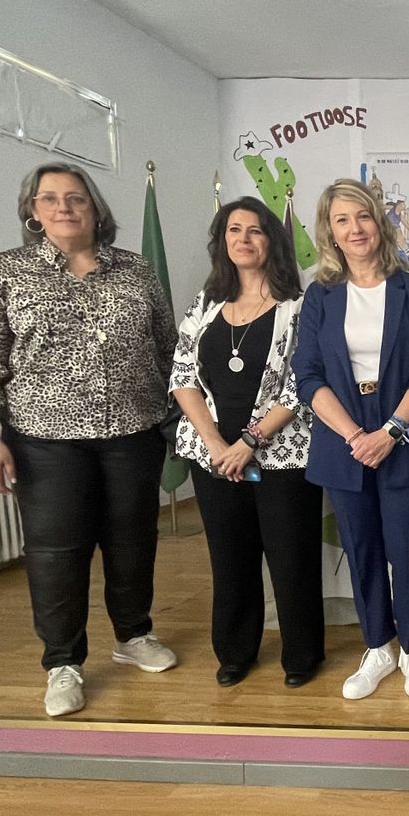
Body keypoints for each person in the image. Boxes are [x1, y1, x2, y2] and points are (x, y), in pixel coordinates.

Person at [0, 162, 178, 718]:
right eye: (50, 198)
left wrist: (179, 425)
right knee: (58, 551)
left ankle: (133, 636)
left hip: (134, 430)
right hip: (44, 439)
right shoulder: (5, 273)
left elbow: (167, 348)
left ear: (94, 207)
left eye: (76, 198)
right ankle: (63, 662)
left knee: (133, 541)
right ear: (33, 210)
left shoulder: (135, 270)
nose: (64, 207)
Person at [293, 179, 409, 700]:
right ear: (330, 232)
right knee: (362, 550)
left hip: (405, 435)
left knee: (407, 551)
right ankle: (377, 648)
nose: (354, 229)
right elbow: (309, 376)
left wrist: (391, 431)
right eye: (342, 220)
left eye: (362, 217)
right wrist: (356, 435)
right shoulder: (319, 296)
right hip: (344, 441)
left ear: (378, 223)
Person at [171, 197, 325, 689]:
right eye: (233, 230)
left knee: (291, 558)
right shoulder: (204, 305)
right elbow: (182, 377)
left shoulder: (298, 309)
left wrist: (250, 440)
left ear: (271, 241)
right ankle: (235, 652)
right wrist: (218, 444)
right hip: (213, 457)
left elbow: (302, 384)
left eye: (254, 230)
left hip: (280, 455)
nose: (243, 239)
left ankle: (301, 655)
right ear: (223, 242)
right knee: (230, 558)